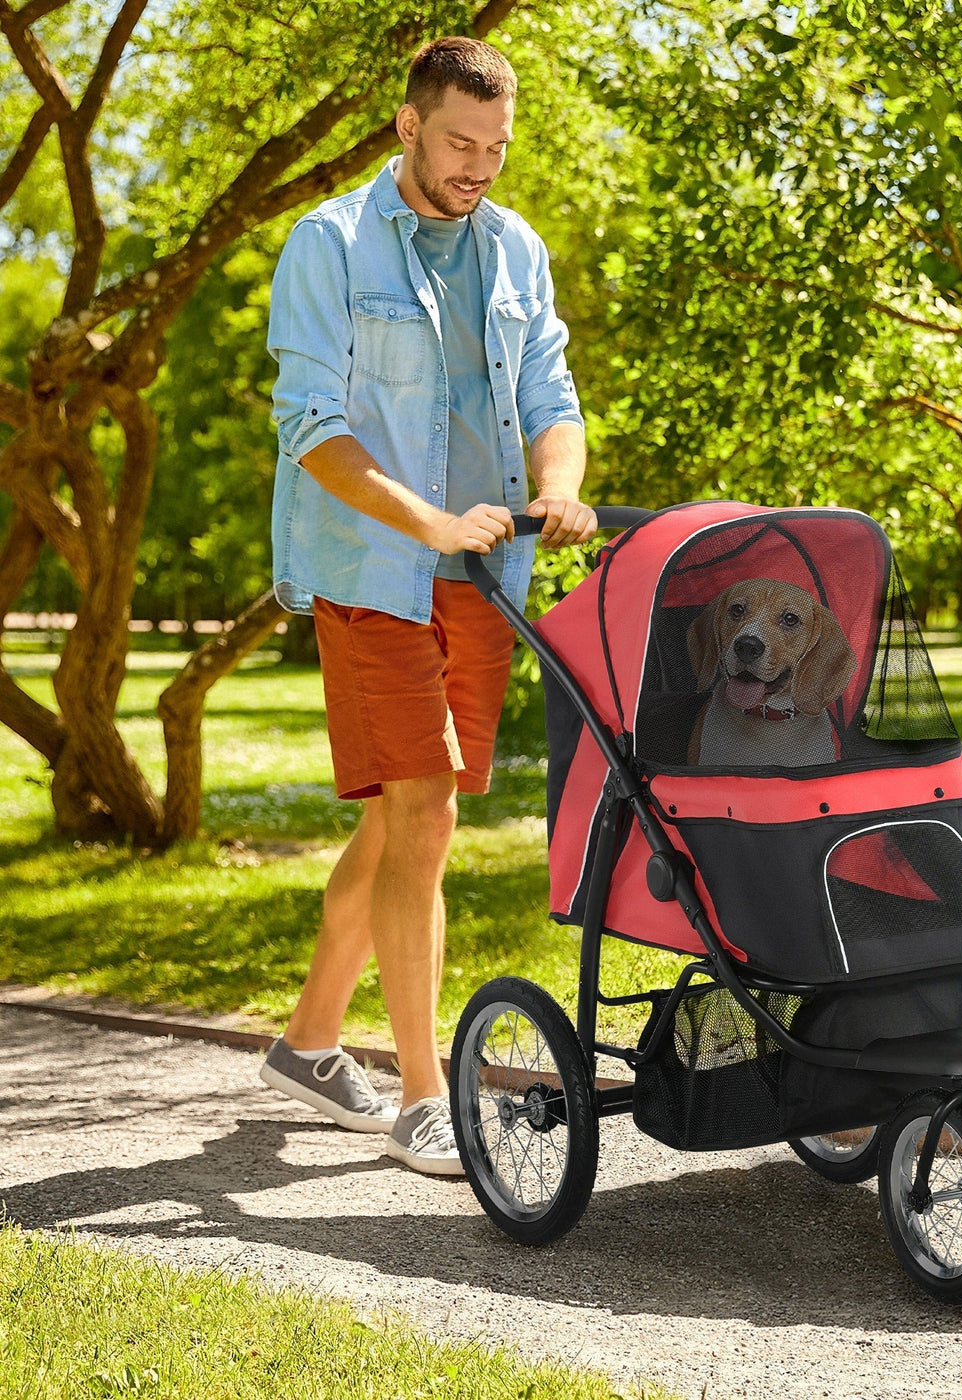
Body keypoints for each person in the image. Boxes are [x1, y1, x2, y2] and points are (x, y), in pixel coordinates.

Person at [258, 35, 596, 1175]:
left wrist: (557, 488)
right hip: (374, 571)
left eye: (496, 148)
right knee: (426, 814)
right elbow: (311, 427)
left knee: (405, 816)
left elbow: (548, 390)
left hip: (483, 577)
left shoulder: (512, 248)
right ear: (408, 126)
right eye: (459, 143)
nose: (478, 168)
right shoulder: (330, 243)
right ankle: (420, 1094)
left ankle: (309, 1044)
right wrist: (432, 524)